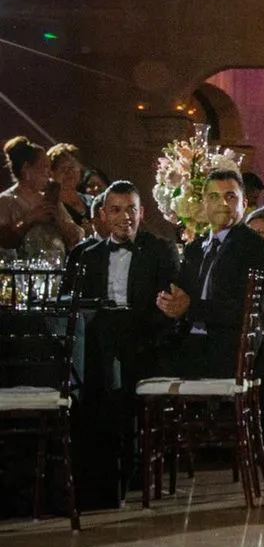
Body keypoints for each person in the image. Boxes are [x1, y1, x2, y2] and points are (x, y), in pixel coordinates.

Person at [62, 180, 181, 503]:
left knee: (115, 371)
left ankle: (122, 474)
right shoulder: (84, 255)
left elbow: (169, 309)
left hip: (143, 343)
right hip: (97, 347)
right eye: (116, 210)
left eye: (131, 209)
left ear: (142, 212)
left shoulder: (160, 250)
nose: (124, 217)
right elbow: (69, 305)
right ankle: (90, 479)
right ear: (102, 215)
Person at [154, 169, 264, 376]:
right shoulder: (195, 249)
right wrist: (169, 303)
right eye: (214, 197)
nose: (223, 203)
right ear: (204, 204)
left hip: (229, 351)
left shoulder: (257, 249)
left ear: (244, 204)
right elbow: (181, 295)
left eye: (231, 196)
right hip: (188, 343)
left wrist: (191, 308)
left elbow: (244, 310)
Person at [0, 135, 84, 257]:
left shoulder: (51, 201)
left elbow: (76, 238)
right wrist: (29, 219)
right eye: (44, 166)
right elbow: (4, 240)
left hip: (54, 271)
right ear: (26, 169)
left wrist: (59, 219)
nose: (49, 173)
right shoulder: (5, 201)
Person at [47, 143, 93, 237]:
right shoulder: (51, 207)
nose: (69, 172)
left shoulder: (91, 200)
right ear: (51, 173)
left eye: (72, 167)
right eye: (64, 168)